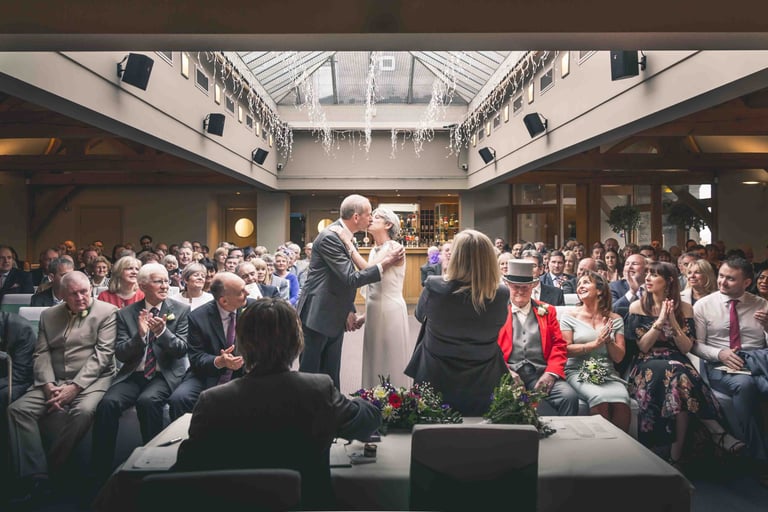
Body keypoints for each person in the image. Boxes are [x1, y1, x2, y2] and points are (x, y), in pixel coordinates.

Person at [173, 298, 381, 509]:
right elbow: (367, 421)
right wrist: (360, 402)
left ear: (242, 343)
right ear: (297, 342)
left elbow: (187, 467)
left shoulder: (213, 401)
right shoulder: (317, 390)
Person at [7, 272, 117, 502]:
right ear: (62, 295)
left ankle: (50, 468)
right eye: (73, 293)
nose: (80, 297)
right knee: (17, 410)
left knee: (83, 412)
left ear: (91, 289)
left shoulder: (107, 312)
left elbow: (102, 356)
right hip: (54, 380)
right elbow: (41, 353)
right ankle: (35, 473)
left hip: (92, 382)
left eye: (84, 291)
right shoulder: (49, 315)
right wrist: (48, 384)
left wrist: (75, 387)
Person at [626, 261, 740, 466]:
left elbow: (686, 347)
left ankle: (675, 456)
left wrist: (674, 321)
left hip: (676, 360)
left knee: (679, 377)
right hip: (647, 362)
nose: (648, 279)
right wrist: (660, 322)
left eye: (655, 275)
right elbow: (643, 346)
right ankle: (715, 433)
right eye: (648, 274)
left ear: (669, 281)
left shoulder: (685, 308)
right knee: (678, 373)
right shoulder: (637, 306)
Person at [91, 264, 190, 480]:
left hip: (164, 374)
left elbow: (181, 350)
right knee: (107, 403)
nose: (165, 285)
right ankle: (100, 471)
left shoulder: (180, 311)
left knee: (148, 401)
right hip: (134, 374)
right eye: (158, 281)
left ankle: (153, 470)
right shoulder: (126, 314)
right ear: (143, 285)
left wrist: (162, 332)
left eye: (166, 281)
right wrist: (140, 337)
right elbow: (120, 354)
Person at [297, 194, 404, 389]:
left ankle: (331, 412)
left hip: (334, 311)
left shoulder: (347, 237)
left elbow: (341, 279)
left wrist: (349, 308)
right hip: (318, 313)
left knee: (330, 371)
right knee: (311, 371)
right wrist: (385, 264)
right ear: (356, 217)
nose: (371, 218)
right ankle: (306, 416)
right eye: (369, 214)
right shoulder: (332, 237)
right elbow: (350, 278)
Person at [405, 230, 509, 416]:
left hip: (435, 374)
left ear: (456, 258)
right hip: (483, 375)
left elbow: (420, 315)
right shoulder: (500, 294)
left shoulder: (435, 286)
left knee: (431, 431)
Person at [693, 257, 768, 482]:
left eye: (730, 279)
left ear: (746, 282)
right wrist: (720, 354)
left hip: (758, 361)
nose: (723, 282)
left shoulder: (761, 304)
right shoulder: (704, 305)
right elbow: (695, 344)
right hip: (721, 364)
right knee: (745, 386)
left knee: (759, 385)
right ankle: (759, 459)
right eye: (721, 276)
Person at [337, 207, 410, 388]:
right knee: (374, 355)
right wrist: (364, 317)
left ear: (388, 224)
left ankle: (395, 402)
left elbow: (368, 271)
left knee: (390, 356)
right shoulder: (375, 249)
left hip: (391, 310)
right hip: (375, 309)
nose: (371, 219)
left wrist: (349, 244)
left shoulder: (394, 247)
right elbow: (374, 288)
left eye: (376, 217)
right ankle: (373, 399)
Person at [497, 260, 579, 416]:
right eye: (515, 287)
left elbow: (559, 345)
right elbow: (490, 347)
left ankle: (567, 439)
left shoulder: (547, 310)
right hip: (508, 374)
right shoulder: (497, 311)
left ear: (532, 286)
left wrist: (551, 373)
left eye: (525, 287)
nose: (520, 291)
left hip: (540, 373)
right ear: (507, 285)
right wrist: (506, 371)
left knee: (569, 397)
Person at [167, 273, 251, 420]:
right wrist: (219, 361)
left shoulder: (253, 309)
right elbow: (196, 357)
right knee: (179, 399)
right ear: (224, 301)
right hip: (207, 374)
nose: (247, 293)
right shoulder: (198, 317)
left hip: (244, 373)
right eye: (241, 292)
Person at [560, 272, 631, 431]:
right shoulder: (569, 316)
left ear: (599, 290)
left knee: (622, 400)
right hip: (577, 370)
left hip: (607, 371)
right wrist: (595, 343)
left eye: (586, 283)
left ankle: (622, 450)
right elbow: (565, 350)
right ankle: (600, 447)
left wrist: (608, 341)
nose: (580, 287)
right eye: (579, 284)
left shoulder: (615, 319)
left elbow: (618, 357)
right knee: (600, 399)